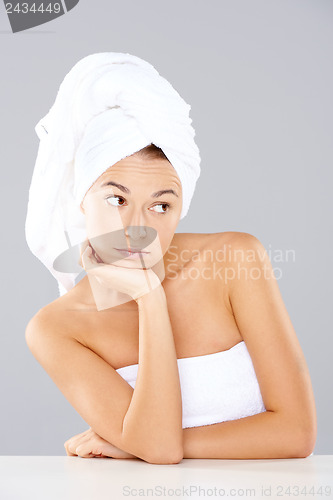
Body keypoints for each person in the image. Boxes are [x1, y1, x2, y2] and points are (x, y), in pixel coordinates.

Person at [25, 53, 317, 463]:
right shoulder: (56, 328)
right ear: (81, 200)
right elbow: (158, 451)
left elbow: (296, 434)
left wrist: (133, 443)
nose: (136, 227)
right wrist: (150, 299)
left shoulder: (234, 258)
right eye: (116, 198)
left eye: (161, 206)